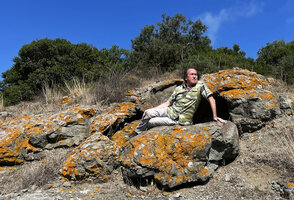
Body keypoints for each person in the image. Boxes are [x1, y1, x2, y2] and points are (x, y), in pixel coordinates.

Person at [134, 68, 225, 134]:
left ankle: (143, 133)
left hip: (179, 121)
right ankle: (137, 133)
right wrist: (151, 109)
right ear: (186, 78)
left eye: (196, 74)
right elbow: (168, 103)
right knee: (148, 113)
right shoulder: (178, 88)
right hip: (170, 111)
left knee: (150, 122)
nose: (194, 76)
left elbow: (211, 99)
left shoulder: (200, 86)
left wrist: (215, 116)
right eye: (192, 74)